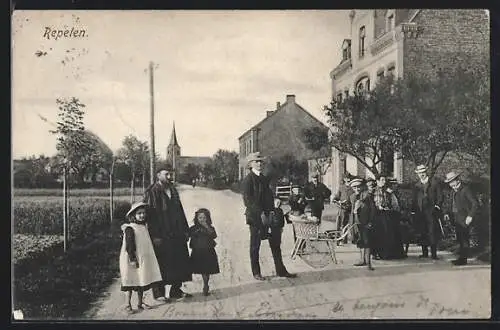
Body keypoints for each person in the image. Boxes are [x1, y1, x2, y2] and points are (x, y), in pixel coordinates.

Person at [242, 152, 297, 280]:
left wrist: (276, 200)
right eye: (256, 161)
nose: (260, 164)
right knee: (255, 245)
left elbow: (269, 196)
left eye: (261, 161)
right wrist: (260, 213)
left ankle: (281, 270)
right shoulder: (248, 180)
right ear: (250, 165)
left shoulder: (264, 178)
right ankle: (256, 272)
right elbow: (248, 201)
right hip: (255, 217)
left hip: (270, 216)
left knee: (276, 244)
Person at [143, 168, 193, 301]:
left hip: (176, 232)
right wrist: (154, 236)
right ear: (158, 175)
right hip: (161, 233)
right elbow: (150, 216)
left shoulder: (173, 190)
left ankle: (176, 290)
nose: (170, 176)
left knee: (179, 260)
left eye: (171, 174)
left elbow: (180, 211)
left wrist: (185, 230)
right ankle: (159, 293)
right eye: (166, 174)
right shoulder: (152, 192)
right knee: (161, 262)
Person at [119, 202, 163, 313]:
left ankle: (140, 303)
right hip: (132, 259)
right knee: (129, 281)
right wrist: (132, 258)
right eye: (139, 213)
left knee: (141, 280)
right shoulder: (130, 228)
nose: (142, 215)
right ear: (133, 215)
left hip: (142, 258)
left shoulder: (143, 227)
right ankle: (127, 304)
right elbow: (130, 245)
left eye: (143, 213)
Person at [443, 171, 479, 266]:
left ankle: (463, 259)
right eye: (449, 182)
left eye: (452, 181)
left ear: (457, 180)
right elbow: (450, 204)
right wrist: (447, 213)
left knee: (464, 239)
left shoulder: (465, 189)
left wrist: (470, 216)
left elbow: (475, 204)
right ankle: (461, 258)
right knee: (460, 238)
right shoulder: (453, 191)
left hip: (465, 218)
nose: (450, 184)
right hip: (456, 218)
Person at [411, 165, 444, 260]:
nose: (421, 174)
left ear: (426, 172)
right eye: (419, 173)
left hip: (431, 211)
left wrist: (437, 206)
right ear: (417, 174)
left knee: (432, 231)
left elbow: (440, 196)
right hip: (420, 211)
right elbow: (414, 199)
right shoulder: (416, 185)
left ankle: (434, 254)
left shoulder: (434, 182)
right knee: (423, 231)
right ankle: (424, 252)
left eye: (423, 172)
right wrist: (413, 210)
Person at [189, 208, 220, 296]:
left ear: (207, 218)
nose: (202, 220)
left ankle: (206, 285)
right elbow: (188, 234)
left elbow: (214, 235)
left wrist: (207, 227)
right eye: (200, 218)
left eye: (204, 218)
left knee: (206, 270)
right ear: (197, 218)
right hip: (197, 251)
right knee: (198, 268)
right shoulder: (193, 228)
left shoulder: (210, 228)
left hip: (208, 251)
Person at [373, 174, 405, 260]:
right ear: (377, 181)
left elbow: (394, 202)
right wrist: (377, 207)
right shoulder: (373, 191)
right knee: (380, 233)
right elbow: (372, 203)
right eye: (382, 180)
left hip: (387, 214)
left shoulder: (388, 191)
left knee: (389, 232)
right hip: (377, 214)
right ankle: (379, 253)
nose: (384, 182)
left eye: (384, 180)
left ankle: (389, 253)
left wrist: (390, 208)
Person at [349, 178, 375, 270]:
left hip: (366, 222)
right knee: (359, 240)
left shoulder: (367, 195)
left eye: (358, 187)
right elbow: (352, 211)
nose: (357, 189)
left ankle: (368, 262)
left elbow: (372, 209)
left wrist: (371, 221)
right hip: (356, 222)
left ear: (361, 187)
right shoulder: (352, 197)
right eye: (354, 187)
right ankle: (362, 260)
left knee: (367, 242)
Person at [332, 174, 354, 245]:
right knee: (341, 224)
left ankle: (351, 239)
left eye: (349, 178)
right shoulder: (341, 187)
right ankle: (340, 239)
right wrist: (336, 200)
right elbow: (337, 196)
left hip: (351, 208)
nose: (348, 180)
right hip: (343, 208)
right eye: (346, 178)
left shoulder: (353, 188)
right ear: (344, 179)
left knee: (351, 224)